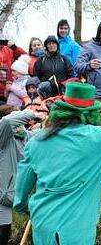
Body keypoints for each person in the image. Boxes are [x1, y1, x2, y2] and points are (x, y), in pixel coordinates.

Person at [13, 82, 101, 244]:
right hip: (77, 230)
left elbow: (20, 197)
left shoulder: (36, 141)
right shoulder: (99, 139)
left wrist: (29, 209)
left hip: (43, 224)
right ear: (91, 114)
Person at [0, 105, 41, 245]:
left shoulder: (26, 137)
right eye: (18, 121)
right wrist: (32, 113)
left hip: (12, 194)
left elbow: (44, 134)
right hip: (2, 196)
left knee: (5, 234)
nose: (21, 127)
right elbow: (7, 122)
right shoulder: (3, 135)